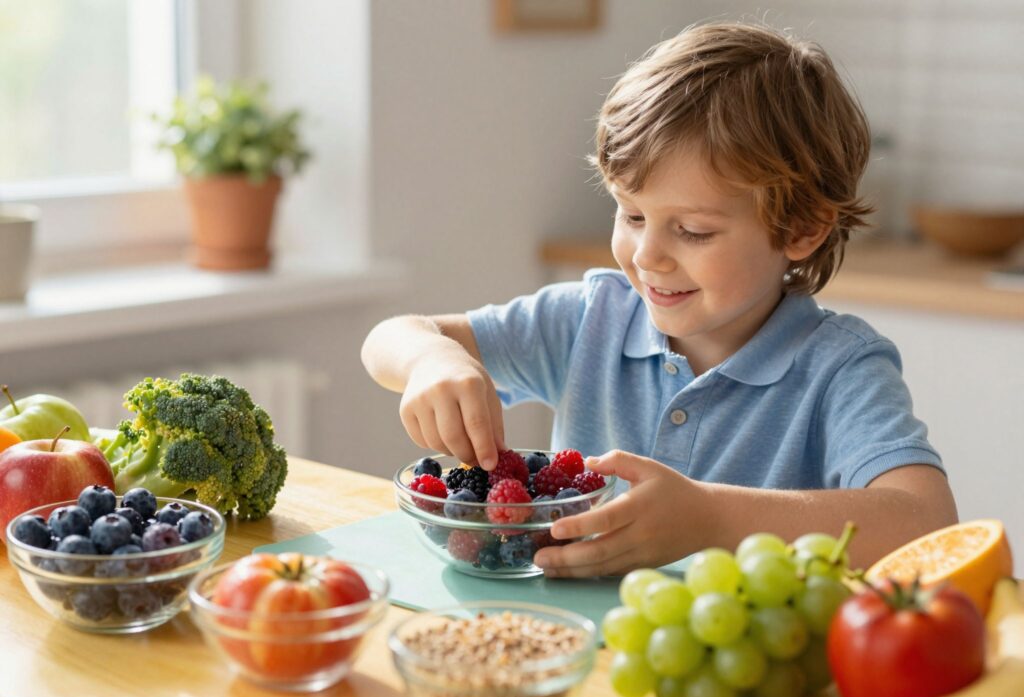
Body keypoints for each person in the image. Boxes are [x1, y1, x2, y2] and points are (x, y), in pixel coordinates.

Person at [361, 22, 957, 577]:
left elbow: (928, 524)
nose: (648, 256)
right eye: (633, 214)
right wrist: (432, 360)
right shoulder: (590, 319)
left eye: (693, 231)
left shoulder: (840, 368)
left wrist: (713, 518)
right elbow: (390, 337)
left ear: (802, 229)